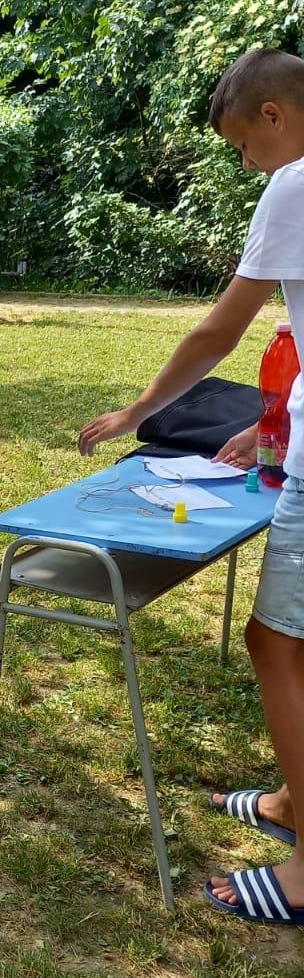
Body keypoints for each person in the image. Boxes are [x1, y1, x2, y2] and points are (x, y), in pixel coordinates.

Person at [78, 47, 304, 924]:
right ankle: (290, 800)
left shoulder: (292, 185)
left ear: (273, 116)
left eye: (243, 145)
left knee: (274, 644)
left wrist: (139, 410)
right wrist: (273, 423)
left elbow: (220, 331)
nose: (246, 164)